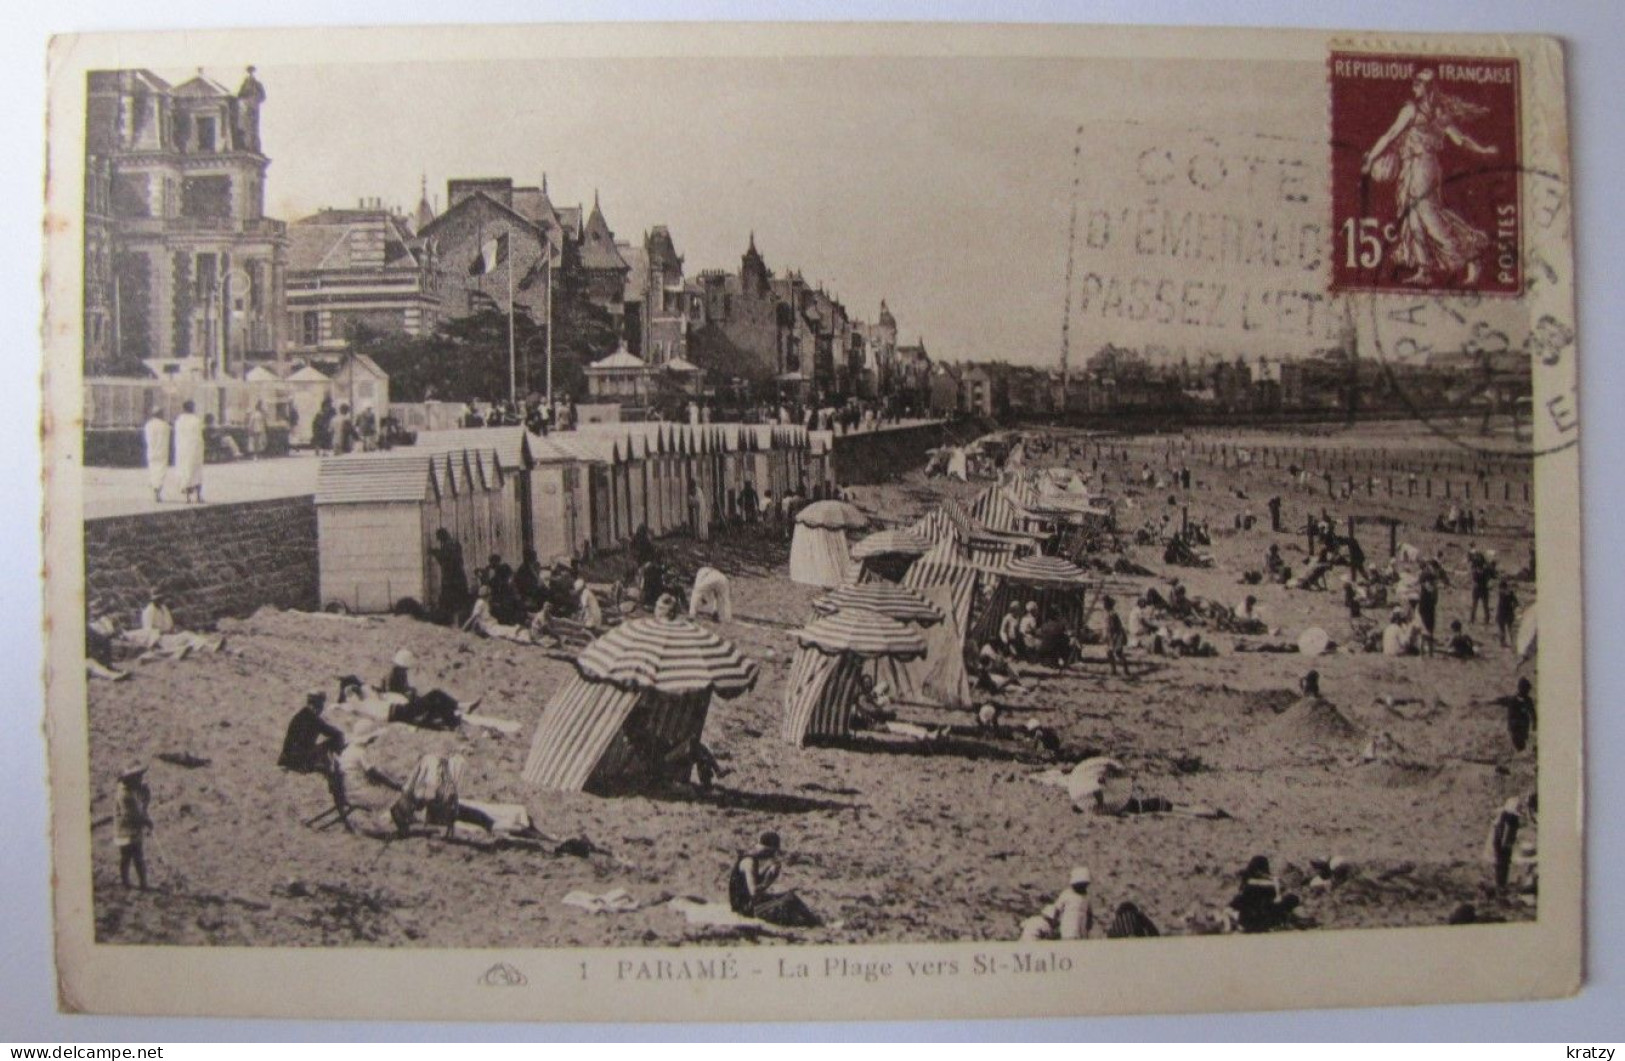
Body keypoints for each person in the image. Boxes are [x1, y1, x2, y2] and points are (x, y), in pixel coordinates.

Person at [1361, 68, 1499, 285]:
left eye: (1419, 84)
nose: (1414, 86)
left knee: (1428, 214)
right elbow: (1460, 139)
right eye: (1414, 83)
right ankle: (1424, 269)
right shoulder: (1435, 112)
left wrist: (1370, 160)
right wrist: (1482, 150)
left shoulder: (1417, 111)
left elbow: (1390, 136)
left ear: (1428, 88)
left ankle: (1470, 255)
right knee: (1412, 217)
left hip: (1421, 166)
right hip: (1419, 166)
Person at [279, 689, 345, 773]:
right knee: (337, 737)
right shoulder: (314, 719)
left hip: (287, 759)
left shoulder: (300, 716)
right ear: (318, 704)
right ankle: (336, 762)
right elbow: (334, 733)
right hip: (301, 760)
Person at [1229, 856, 1300, 933]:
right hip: (1252, 916)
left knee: (1291, 898)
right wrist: (1275, 883)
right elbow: (1254, 883)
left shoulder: (1261, 881)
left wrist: (1276, 888)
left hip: (1263, 914)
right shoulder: (1250, 882)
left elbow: (1277, 894)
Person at [1022, 866, 1094, 940]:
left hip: (1082, 926)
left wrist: (1088, 926)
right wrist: (1054, 923)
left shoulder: (1086, 897)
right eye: (1081, 884)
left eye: (1084, 885)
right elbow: (1057, 909)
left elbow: (1089, 913)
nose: (1082, 887)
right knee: (1070, 941)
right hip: (1069, 927)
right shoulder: (1066, 894)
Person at [114, 763, 153, 890]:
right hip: (127, 830)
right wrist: (146, 821)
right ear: (130, 779)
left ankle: (135, 883)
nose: (141, 780)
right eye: (138, 777)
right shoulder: (125, 795)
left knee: (133, 857)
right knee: (131, 857)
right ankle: (131, 882)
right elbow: (132, 815)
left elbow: (142, 806)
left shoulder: (129, 789)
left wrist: (146, 797)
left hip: (129, 829)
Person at [430, 529, 471, 625]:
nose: (440, 541)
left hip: (451, 577)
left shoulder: (448, 545)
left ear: (442, 537)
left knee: (450, 600)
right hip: (459, 576)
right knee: (459, 600)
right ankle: (458, 621)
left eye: (440, 539)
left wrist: (435, 553)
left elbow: (446, 560)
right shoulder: (455, 543)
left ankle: (452, 621)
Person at [173, 400, 206, 504]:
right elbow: (201, 433)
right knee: (197, 473)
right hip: (195, 449)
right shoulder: (196, 420)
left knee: (185, 472)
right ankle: (198, 496)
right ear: (192, 408)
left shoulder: (179, 421)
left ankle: (187, 497)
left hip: (182, 450)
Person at [1497, 677, 1537, 752]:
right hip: (1516, 728)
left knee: (1521, 747)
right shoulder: (1513, 699)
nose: (1527, 692)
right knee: (1520, 747)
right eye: (1526, 690)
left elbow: (1533, 713)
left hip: (1520, 729)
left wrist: (1535, 723)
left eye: (1527, 690)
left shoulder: (1526, 701)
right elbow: (1497, 701)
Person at [142, 407, 171, 503]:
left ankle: (155, 491)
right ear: (160, 415)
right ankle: (157, 493)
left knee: (153, 471)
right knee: (160, 473)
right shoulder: (165, 425)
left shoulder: (148, 425)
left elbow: (147, 439)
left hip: (151, 452)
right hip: (162, 452)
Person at [1103, 595, 1129, 676]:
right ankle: (1114, 670)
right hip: (1111, 635)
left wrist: (1110, 636)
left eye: (1105, 604)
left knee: (1118, 653)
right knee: (1110, 653)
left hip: (1115, 635)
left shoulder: (1112, 614)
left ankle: (1125, 670)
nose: (1104, 605)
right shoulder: (1108, 613)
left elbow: (1113, 627)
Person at [1495, 578, 1520, 648]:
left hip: (1507, 614)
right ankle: (1503, 642)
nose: (1501, 590)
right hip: (1502, 614)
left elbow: (1516, 603)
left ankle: (1511, 642)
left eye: (1501, 588)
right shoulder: (1502, 594)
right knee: (1502, 629)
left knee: (1510, 629)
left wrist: (1513, 607)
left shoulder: (1509, 594)